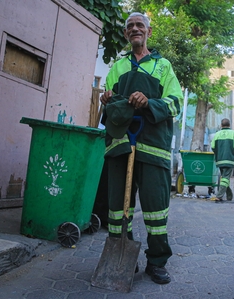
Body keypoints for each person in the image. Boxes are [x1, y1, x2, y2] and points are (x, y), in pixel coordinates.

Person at [99, 12, 183, 285]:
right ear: (126, 34)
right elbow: (111, 105)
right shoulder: (118, 67)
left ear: (148, 31)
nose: (135, 29)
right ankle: (125, 257)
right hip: (121, 145)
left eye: (140, 25)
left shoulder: (163, 66)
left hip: (153, 147)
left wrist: (148, 103)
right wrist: (108, 98)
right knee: (116, 209)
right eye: (130, 26)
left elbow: (175, 104)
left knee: (156, 210)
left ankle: (156, 262)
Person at [210, 118, 234, 202]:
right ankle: (219, 196)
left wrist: (218, 153)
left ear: (221, 125)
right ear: (229, 125)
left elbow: (213, 147)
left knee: (224, 177)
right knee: (225, 178)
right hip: (229, 159)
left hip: (219, 160)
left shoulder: (217, 134)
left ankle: (229, 195)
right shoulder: (233, 133)